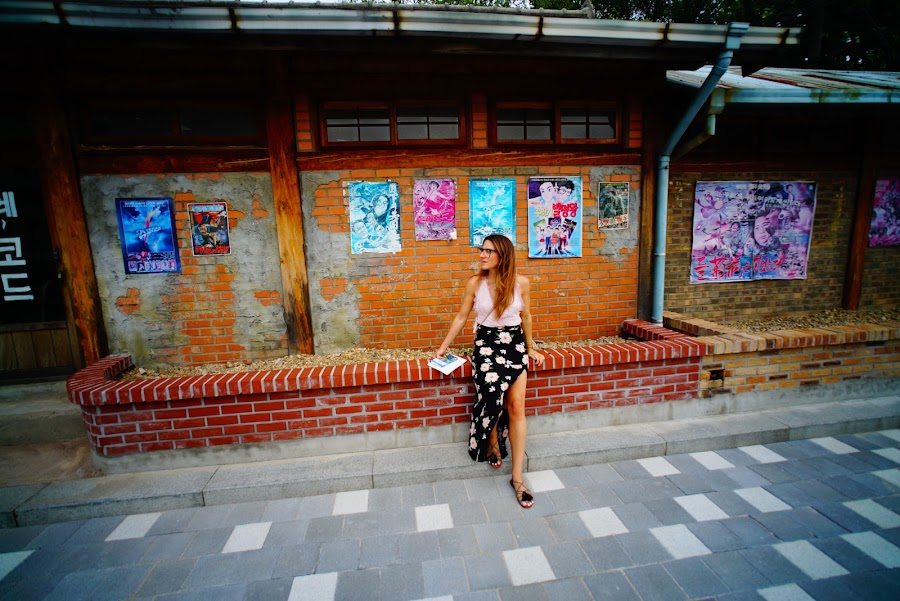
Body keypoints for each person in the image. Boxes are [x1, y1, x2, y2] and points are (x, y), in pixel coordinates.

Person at [433, 234, 545, 509]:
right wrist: (442, 348)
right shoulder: (475, 283)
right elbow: (461, 316)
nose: (482, 255)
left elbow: (526, 316)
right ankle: (492, 439)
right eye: (481, 250)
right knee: (492, 397)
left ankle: (517, 477)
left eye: (488, 251)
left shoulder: (522, 283)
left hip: (514, 345)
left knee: (516, 405)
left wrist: (530, 347)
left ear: (502, 256)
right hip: (485, 346)